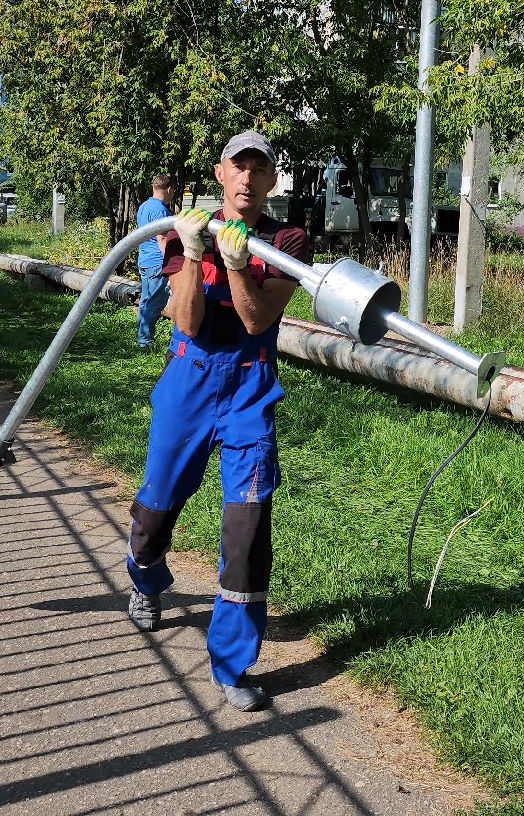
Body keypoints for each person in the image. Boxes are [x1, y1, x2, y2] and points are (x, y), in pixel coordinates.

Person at [124, 131, 310, 713]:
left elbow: (257, 321)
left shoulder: (287, 240)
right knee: (157, 505)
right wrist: (198, 252)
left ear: (272, 180)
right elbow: (184, 317)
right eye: (239, 167)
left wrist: (237, 265)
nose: (249, 179)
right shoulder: (189, 231)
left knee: (248, 525)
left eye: (261, 169)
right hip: (189, 382)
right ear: (220, 173)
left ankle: (232, 664)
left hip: (250, 389)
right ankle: (146, 575)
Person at [134, 175, 176, 350]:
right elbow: (162, 239)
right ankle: (145, 342)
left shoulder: (144, 207)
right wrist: (171, 263)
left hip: (145, 259)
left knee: (146, 301)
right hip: (157, 262)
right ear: (169, 189)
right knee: (154, 303)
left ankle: (143, 339)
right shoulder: (160, 209)